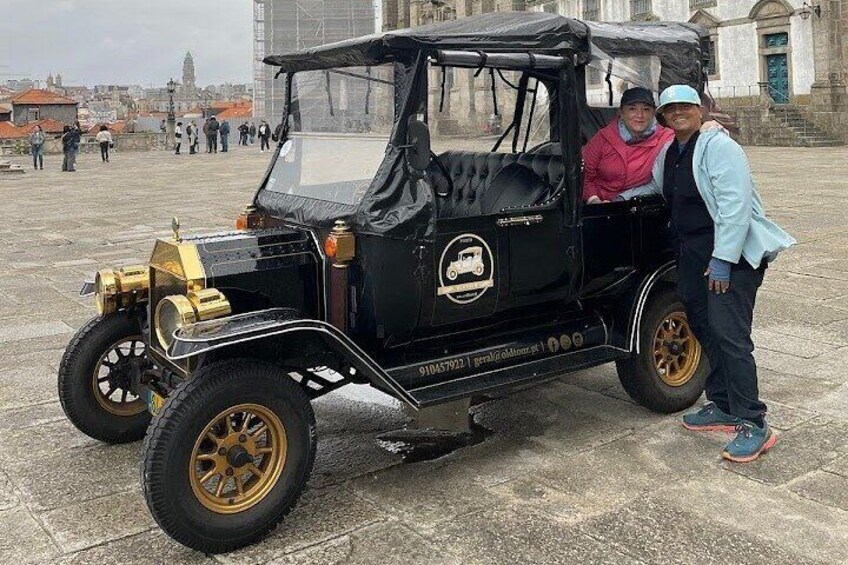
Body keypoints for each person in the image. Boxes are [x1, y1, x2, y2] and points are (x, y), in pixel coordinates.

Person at [648, 84, 795, 463]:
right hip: (693, 254)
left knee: (730, 334)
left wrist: (723, 260)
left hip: (729, 256)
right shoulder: (671, 151)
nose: (678, 112)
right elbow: (657, 188)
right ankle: (724, 403)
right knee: (703, 325)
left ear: (701, 109)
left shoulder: (720, 147)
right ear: (662, 117)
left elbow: (735, 206)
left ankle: (754, 422)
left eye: (685, 106)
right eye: (670, 108)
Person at [582, 87, 674, 204]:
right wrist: (594, 200)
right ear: (620, 112)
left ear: (653, 113)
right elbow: (585, 176)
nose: (639, 115)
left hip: (641, 205)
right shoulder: (602, 138)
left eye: (646, 109)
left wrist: (704, 129)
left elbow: (686, 141)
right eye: (632, 109)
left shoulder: (666, 137)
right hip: (600, 207)